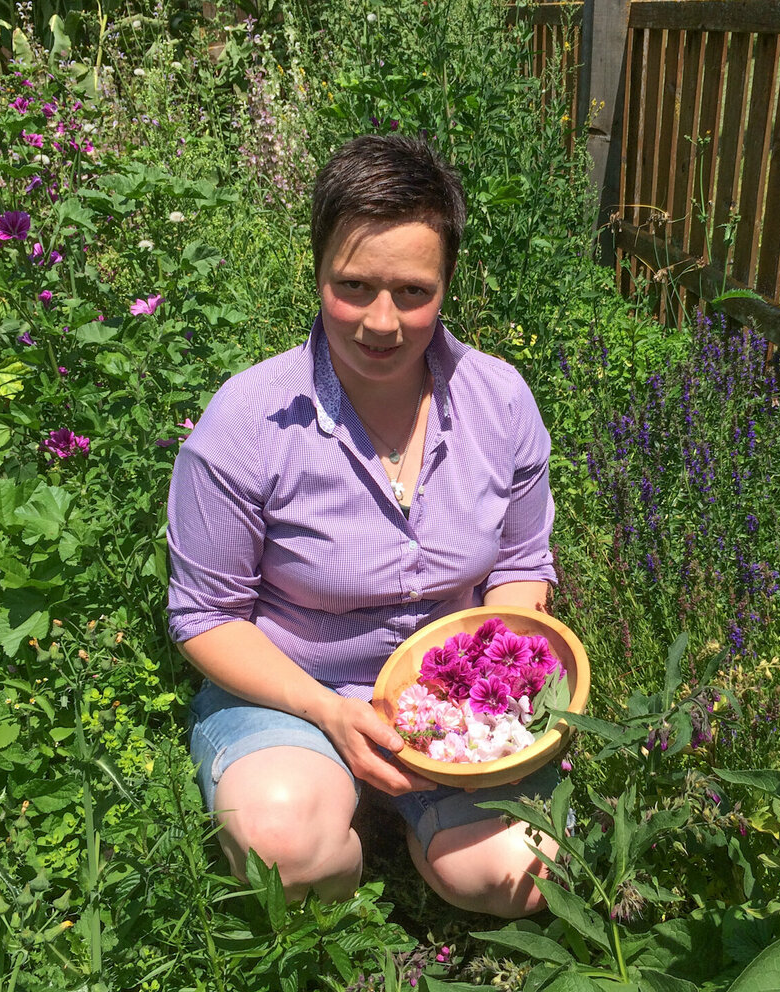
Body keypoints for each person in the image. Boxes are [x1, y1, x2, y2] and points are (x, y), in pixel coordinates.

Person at [166, 134, 559, 917]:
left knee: (520, 876)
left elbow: (521, 564)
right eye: (353, 287)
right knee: (284, 851)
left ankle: (424, 819)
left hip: (454, 697)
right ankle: (329, 825)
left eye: (413, 291)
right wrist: (327, 712)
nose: (382, 321)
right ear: (317, 273)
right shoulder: (245, 423)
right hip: (291, 690)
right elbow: (205, 617)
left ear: (447, 284)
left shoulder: (501, 402)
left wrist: (493, 696)